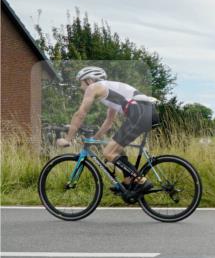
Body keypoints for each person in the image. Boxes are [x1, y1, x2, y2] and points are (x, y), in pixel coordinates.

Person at [56, 66, 160, 195]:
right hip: (146, 112)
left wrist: (68, 139)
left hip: (139, 113)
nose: (81, 87)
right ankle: (128, 181)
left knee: (108, 153)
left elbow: (80, 114)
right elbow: (109, 122)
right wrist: (96, 138)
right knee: (116, 150)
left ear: (89, 80)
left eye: (81, 82)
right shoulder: (110, 92)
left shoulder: (93, 87)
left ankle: (141, 180)